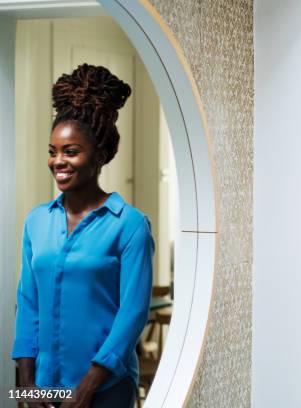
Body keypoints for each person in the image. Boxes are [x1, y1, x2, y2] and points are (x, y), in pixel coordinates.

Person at [12, 64, 154, 408]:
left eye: (71, 152)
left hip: (106, 389)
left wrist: (88, 386)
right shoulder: (36, 221)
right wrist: (27, 383)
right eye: (52, 151)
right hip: (46, 388)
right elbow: (28, 303)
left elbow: (133, 314)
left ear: (100, 156)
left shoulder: (130, 225)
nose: (58, 161)